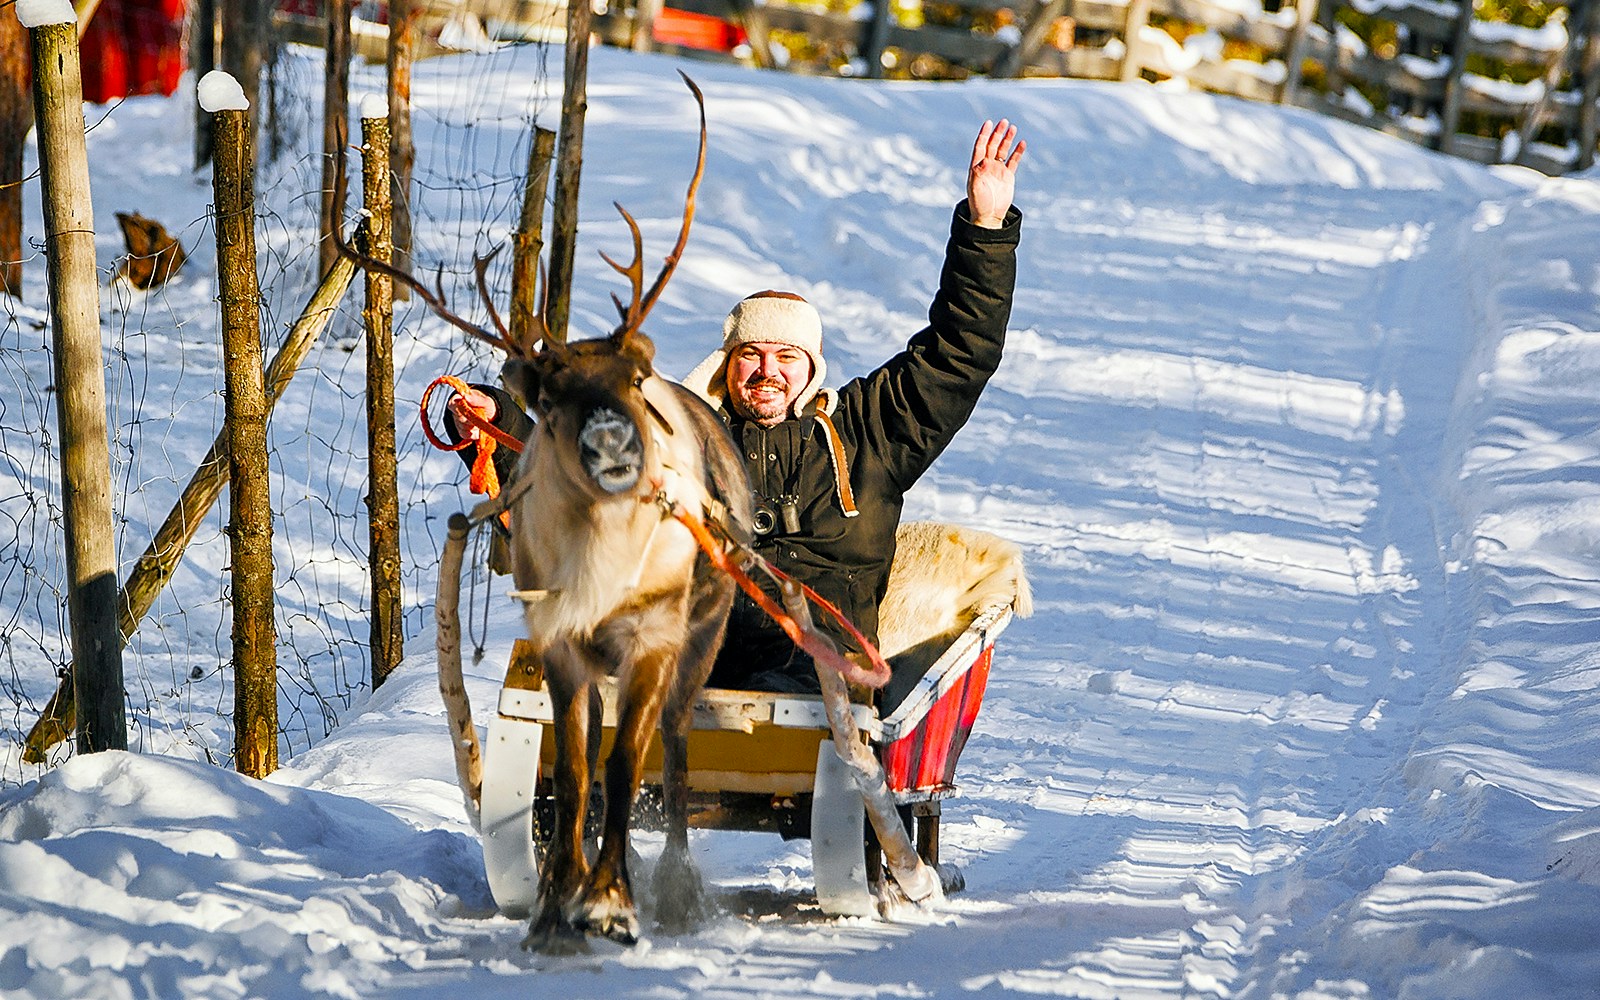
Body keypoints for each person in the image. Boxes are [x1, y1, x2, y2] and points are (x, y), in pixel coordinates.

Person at [445, 118, 1025, 694]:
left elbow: (958, 354)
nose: (768, 371)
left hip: (817, 666)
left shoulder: (867, 432)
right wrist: (499, 419)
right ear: (729, 362)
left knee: (791, 688)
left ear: (812, 367)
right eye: (752, 354)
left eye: (786, 356)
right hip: (697, 650)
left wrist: (985, 227)